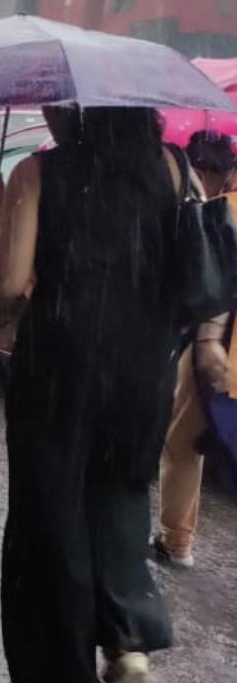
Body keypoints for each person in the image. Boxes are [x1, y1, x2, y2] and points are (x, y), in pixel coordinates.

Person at [0, 106, 182, 683]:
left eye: (52, 100)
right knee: (120, 491)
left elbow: (11, 285)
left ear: (75, 108)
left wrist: (0, 219)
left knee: (55, 515)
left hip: (61, 364)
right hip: (144, 364)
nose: (44, 110)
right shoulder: (170, 166)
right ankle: (128, 636)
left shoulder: (38, 174)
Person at [153, 130, 237, 569]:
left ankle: (175, 541)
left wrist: (207, 341)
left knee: (182, 443)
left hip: (222, 353)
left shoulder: (220, 213)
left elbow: (216, 289)